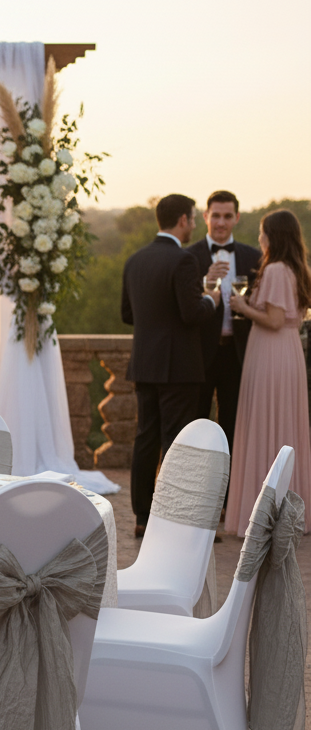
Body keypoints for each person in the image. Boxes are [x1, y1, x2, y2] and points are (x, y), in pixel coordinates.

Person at [122, 194, 220, 537]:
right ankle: (173, 517)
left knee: (145, 438)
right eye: (193, 219)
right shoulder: (183, 260)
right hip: (178, 367)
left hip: (145, 364)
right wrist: (210, 298)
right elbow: (191, 313)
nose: (194, 224)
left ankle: (142, 517)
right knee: (176, 441)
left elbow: (127, 315)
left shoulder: (134, 261)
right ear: (182, 220)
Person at [224, 209, 311, 534]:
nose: (259, 239)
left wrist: (242, 307)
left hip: (271, 354)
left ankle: (264, 513)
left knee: (266, 424)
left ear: (273, 236)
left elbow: (274, 320)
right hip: (287, 353)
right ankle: (284, 507)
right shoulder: (295, 268)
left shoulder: (275, 269)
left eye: (262, 232)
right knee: (283, 424)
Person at [187, 191, 261, 458]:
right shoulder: (189, 257)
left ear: (237, 218)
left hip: (238, 355)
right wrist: (203, 284)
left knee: (233, 427)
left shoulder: (253, 257)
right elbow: (183, 307)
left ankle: (230, 495)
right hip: (199, 355)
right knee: (195, 427)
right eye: (215, 216)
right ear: (205, 217)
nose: (221, 222)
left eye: (227, 216)